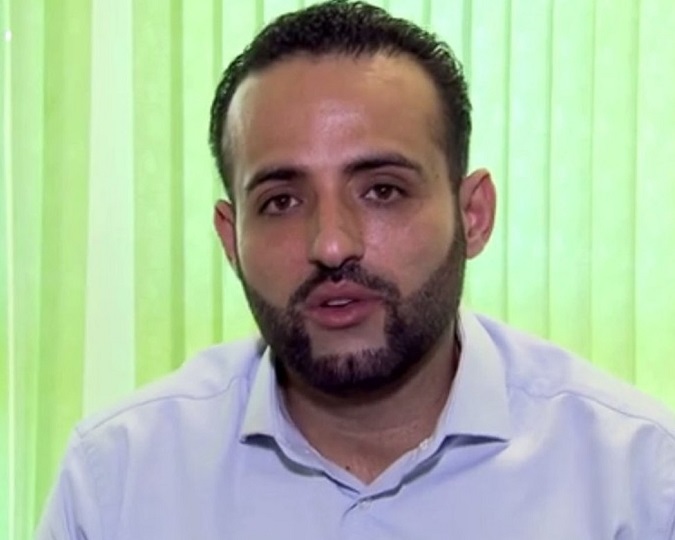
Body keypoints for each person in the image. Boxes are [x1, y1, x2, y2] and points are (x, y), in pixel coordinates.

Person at [37, 1, 675, 538]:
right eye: (281, 202)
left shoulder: (639, 481)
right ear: (231, 239)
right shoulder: (118, 479)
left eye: (382, 191)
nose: (332, 244)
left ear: (473, 215)